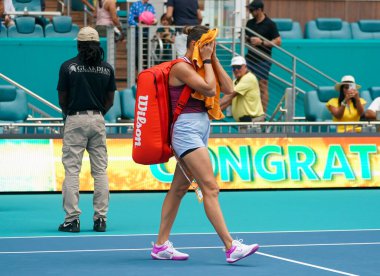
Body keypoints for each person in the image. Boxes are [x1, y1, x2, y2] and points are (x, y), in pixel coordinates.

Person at [151, 25, 259, 263]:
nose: (211, 48)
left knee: (178, 189)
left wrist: (214, 59)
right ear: (195, 45)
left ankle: (160, 245)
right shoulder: (181, 67)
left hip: (200, 128)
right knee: (210, 187)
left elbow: (229, 89)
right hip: (186, 130)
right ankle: (231, 247)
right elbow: (210, 88)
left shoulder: (204, 65)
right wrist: (208, 61)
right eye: (208, 44)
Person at [57, 27, 116, 233]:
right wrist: (98, 113)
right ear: (98, 44)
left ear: (78, 45)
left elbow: (62, 98)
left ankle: (72, 220)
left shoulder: (68, 67)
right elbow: (110, 100)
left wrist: (70, 115)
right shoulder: (107, 68)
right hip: (98, 119)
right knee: (100, 170)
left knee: (72, 170)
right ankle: (101, 219)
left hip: (75, 118)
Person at [245, 0, 281, 114]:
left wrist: (262, 42)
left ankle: (263, 114)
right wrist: (246, 39)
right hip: (250, 58)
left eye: (252, 10)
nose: (250, 12)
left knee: (262, 85)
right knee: (246, 84)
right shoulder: (250, 23)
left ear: (259, 10)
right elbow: (246, 37)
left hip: (263, 59)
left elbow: (278, 41)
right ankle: (250, 111)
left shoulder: (270, 24)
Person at [220, 56, 265, 123]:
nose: (236, 70)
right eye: (234, 68)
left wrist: (215, 106)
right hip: (246, 122)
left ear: (245, 66)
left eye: (238, 67)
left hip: (253, 122)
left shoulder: (248, 78)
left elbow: (230, 95)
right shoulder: (236, 81)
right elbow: (228, 101)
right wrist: (214, 112)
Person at [128, 0, 156, 70]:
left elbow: (154, 20)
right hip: (136, 35)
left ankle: (146, 73)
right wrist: (138, 24)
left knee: (147, 56)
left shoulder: (150, 6)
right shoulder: (135, 5)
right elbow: (130, 20)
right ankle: (139, 71)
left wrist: (154, 22)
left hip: (147, 35)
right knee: (136, 55)